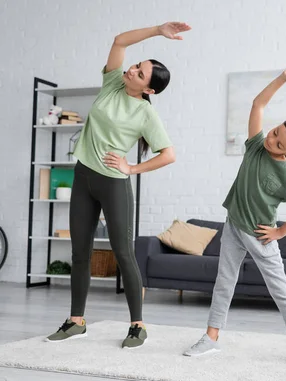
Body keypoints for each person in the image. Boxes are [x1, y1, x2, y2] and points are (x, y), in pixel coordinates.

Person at [46, 22, 191, 349]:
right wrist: (158, 30)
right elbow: (119, 40)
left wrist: (132, 167)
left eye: (139, 74)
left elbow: (169, 154)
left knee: (123, 254)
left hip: (114, 184)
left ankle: (137, 325)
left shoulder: (145, 113)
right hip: (83, 176)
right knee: (80, 252)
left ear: (149, 90)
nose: (132, 71)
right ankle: (76, 321)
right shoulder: (113, 82)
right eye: (137, 66)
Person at [183, 64, 286, 369]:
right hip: (233, 225)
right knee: (224, 281)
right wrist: (284, 78)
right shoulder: (256, 145)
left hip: (260, 234)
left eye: (279, 143)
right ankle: (211, 337)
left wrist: (280, 234)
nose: (271, 140)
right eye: (274, 133)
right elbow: (258, 104)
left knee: (280, 290)